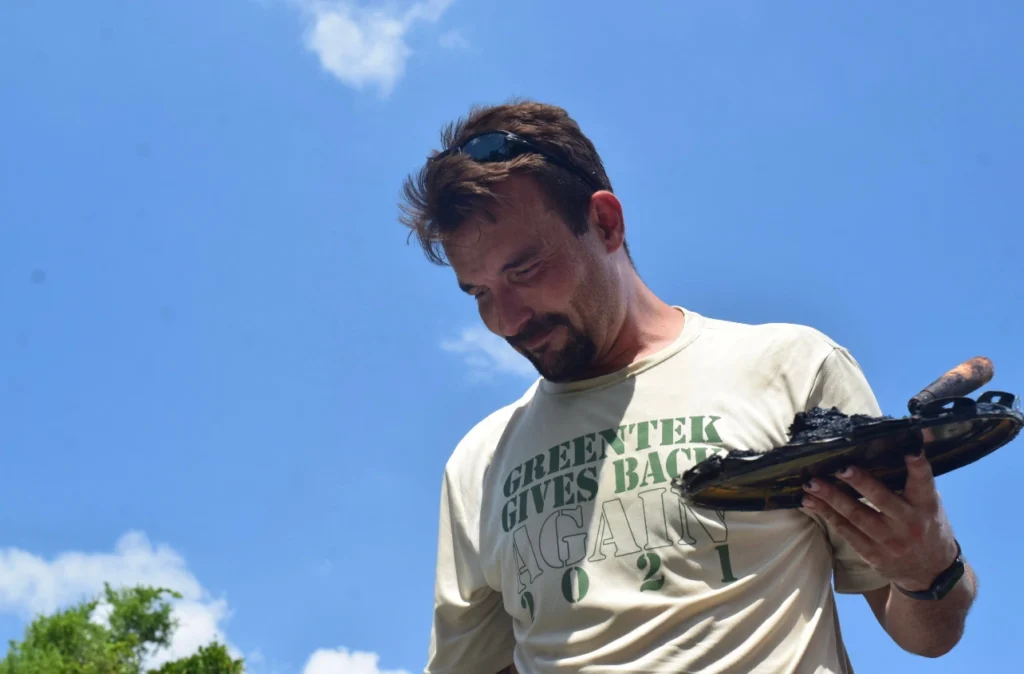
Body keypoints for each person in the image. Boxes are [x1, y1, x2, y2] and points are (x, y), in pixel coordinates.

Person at [399, 99, 977, 674]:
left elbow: (927, 635)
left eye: (524, 271)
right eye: (479, 293)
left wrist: (930, 569)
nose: (505, 320)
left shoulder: (790, 366)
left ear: (605, 223)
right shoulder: (479, 463)